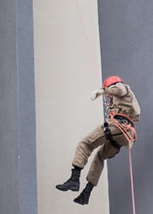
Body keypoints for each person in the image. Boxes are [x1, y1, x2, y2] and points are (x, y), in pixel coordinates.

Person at [56, 77, 140, 206]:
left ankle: (74, 179)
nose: (109, 96)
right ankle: (86, 193)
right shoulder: (127, 100)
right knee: (100, 156)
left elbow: (119, 89)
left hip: (117, 126)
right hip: (125, 134)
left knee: (85, 144)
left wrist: (102, 91)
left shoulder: (122, 88)